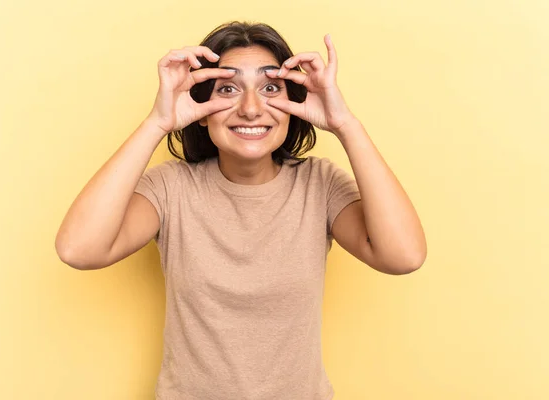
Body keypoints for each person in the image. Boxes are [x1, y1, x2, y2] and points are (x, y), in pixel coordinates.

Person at [55, 21, 427, 400]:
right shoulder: (172, 188)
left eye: (270, 88)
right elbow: (79, 250)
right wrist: (157, 124)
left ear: (294, 105)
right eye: (228, 89)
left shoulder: (320, 184)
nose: (251, 109)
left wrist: (345, 124)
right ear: (200, 108)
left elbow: (404, 256)